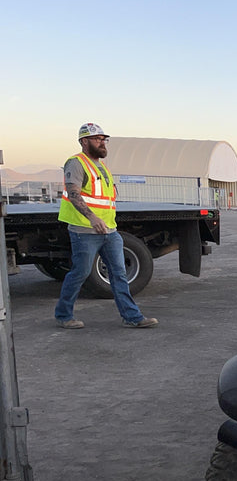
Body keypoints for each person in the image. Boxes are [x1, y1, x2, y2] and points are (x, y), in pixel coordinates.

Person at [53, 123, 158, 329]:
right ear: (84, 141)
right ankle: (63, 315)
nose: (102, 142)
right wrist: (92, 218)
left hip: (109, 230)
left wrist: (107, 223)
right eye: (97, 139)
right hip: (85, 230)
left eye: (103, 139)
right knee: (80, 273)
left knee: (119, 274)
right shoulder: (76, 163)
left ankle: (132, 316)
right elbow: (73, 193)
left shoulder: (101, 166)